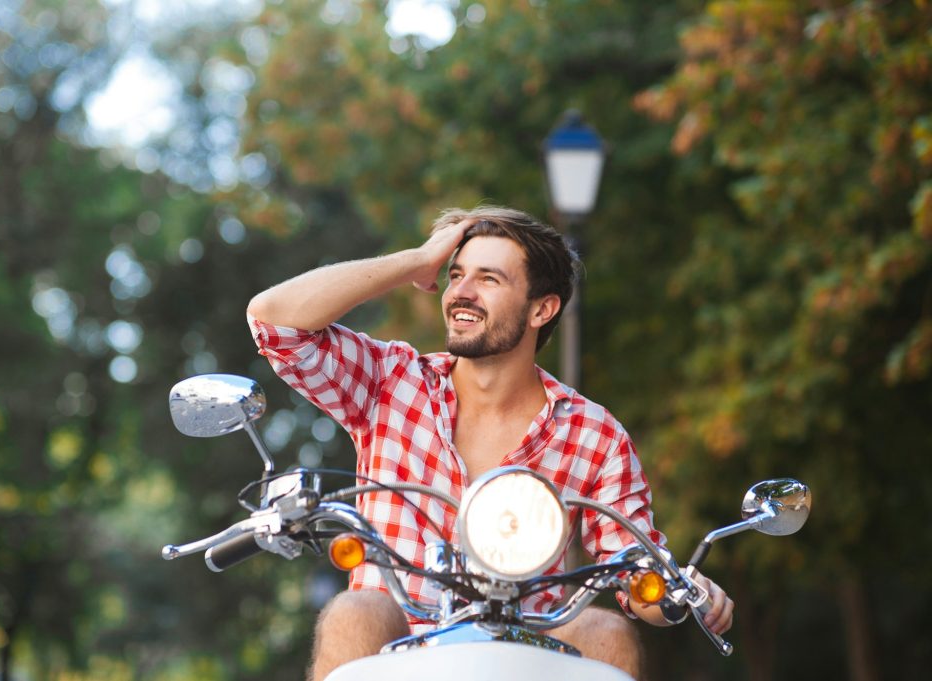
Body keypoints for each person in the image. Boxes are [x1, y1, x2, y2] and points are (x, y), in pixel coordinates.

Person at [246, 206, 733, 681]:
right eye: (456, 275)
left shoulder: (593, 433)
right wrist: (416, 261)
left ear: (542, 309)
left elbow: (634, 572)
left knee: (605, 629)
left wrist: (681, 594)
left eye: (488, 279)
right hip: (394, 649)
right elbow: (273, 322)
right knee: (356, 610)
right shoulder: (390, 381)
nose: (461, 292)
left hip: (527, 651)